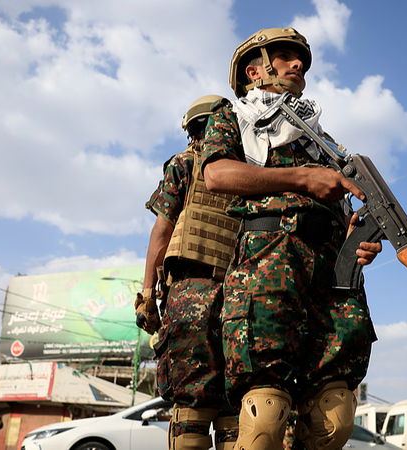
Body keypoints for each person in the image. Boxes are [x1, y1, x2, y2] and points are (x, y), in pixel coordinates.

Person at [200, 27, 381, 450]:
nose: (298, 64)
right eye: (285, 56)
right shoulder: (233, 116)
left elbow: (344, 211)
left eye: (300, 58)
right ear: (255, 69)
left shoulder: (324, 142)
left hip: (331, 282)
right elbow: (217, 174)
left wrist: (357, 239)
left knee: (334, 419)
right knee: (266, 416)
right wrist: (301, 178)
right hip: (268, 270)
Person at [135, 95, 241, 450]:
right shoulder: (247, 172)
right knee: (234, 402)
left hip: (191, 293)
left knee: (194, 402)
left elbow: (161, 233)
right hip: (240, 297)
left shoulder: (185, 163)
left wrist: (147, 297)